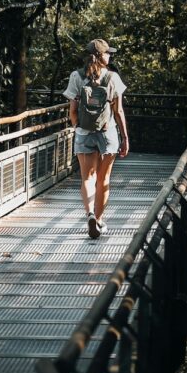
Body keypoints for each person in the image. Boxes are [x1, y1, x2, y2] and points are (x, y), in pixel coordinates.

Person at [63, 38, 129, 239]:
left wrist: (78, 126)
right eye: (108, 53)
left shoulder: (76, 76)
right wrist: (125, 137)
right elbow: (118, 111)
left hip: (84, 133)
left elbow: (72, 110)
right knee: (103, 179)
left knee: (87, 177)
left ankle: (90, 214)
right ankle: (99, 221)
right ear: (102, 56)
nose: (110, 55)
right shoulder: (112, 77)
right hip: (107, 133)